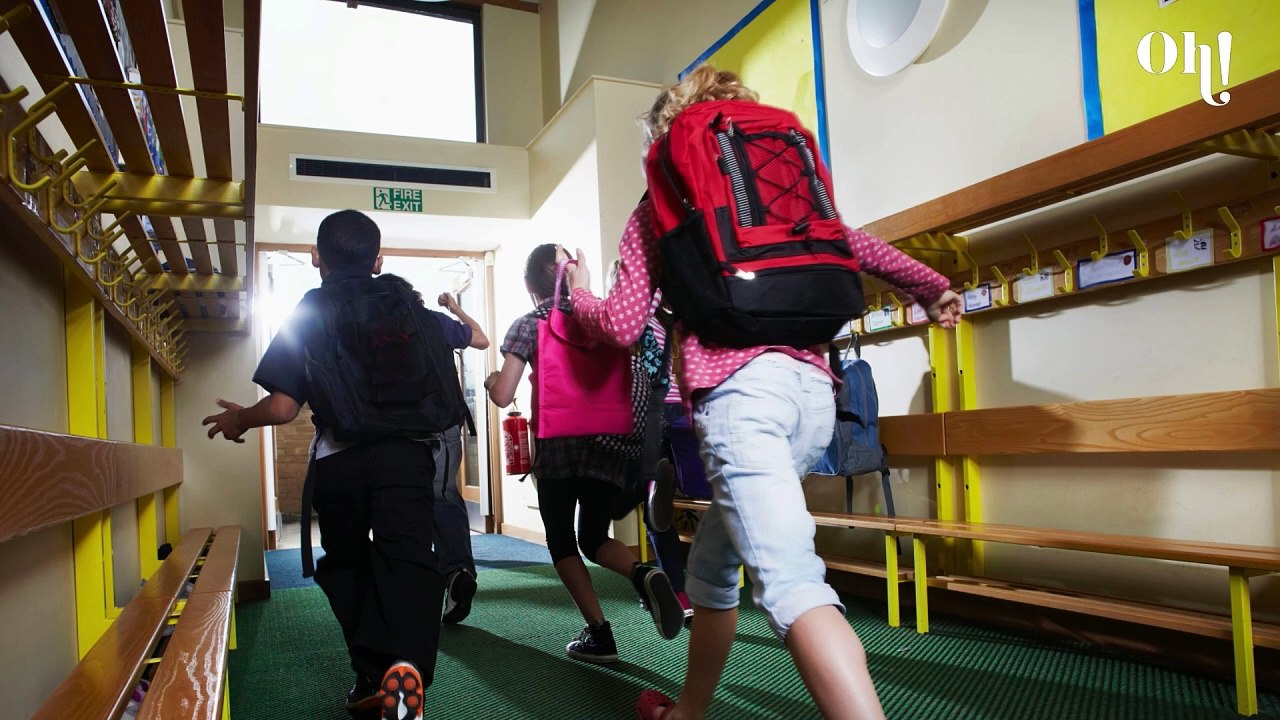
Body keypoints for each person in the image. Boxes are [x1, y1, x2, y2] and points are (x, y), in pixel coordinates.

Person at [566, 66, 964, 720]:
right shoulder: (788, 194)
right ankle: (691, 713)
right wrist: (930, 286)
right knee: (714, 575)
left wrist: (575, 293)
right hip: (811, 400)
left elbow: (621, 323)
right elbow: (856, 245)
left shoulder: (659, 205)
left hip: (741, 401)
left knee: (791, 585)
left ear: (670, 133)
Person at [203, 210, 451, 720]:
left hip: (343, 461)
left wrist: (241, 421)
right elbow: (464, 341)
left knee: (346, 563)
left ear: (317, 258)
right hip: (409, 455)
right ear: (378, 260)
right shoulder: (408, 303)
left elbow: (283, 406)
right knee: (407, 559)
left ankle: (370, 671)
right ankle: (405, 668)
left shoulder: (311, 308)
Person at [483, 243, 686, 664]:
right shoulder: (599, 316)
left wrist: (490, 382)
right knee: (594, 537)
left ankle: (599, 633)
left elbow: (503, 396)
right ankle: (642, 572)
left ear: (529, 286)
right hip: (610, 440)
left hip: (559, 445)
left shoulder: (528, 323)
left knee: (562, 541)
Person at [429, 291, 490, 625]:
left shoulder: (379, 324)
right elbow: (481, 339)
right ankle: (458, 571)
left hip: (397, 431)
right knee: (444, 494)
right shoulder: (436, 322)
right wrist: (455, 308)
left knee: (407, 504)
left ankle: (422, 587)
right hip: (443, 424)